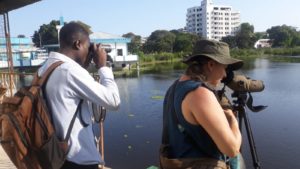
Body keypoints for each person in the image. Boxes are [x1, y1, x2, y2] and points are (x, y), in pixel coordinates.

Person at [38, 22, 120, 169]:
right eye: (88, 47)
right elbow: (114, 101)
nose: (90, 52)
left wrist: (82, 66)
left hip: (53, 155)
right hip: (77, 160)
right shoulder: (70, 71)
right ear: (78, 44)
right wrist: (103, 67)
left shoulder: (45, 68)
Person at [160, 39, 244, 169]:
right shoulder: (200, 94)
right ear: (211, 65)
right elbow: (232, 149)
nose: (225, 74)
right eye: (224, 68)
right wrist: (232, 119)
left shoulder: (174, 87)